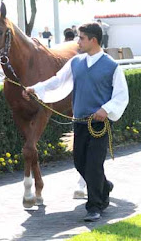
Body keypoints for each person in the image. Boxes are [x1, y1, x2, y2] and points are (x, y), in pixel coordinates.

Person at [22, 22, 129, 222]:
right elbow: (57, 81)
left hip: (99, 125)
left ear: (93, 40)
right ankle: (104, 187)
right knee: (80, 162)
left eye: (81, 38)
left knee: (94, 165)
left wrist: (105, 110)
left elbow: (122, 96)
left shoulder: (112, 66)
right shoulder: (76, 63)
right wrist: (35, 88)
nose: (77, 41)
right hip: (80, 122)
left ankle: (94, 207)